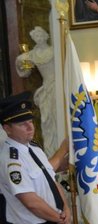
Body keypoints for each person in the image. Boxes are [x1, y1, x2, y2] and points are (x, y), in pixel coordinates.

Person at [0, 93, 71, 224]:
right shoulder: (11, 158)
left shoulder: (34, 149)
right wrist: (58, 217)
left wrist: (65, 209)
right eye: (22, 123)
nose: (30, 127)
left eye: (30, 121)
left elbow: (51, 180)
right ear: (7, 128)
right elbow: (30, 201)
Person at [15, 26, 58, 156]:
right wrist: (21, 63)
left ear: (46, 36)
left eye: (40, 35)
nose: (38, 38)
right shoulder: (33, 55)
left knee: (57, 117)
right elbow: (25, 70)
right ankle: (51, 152)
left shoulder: (54, 51)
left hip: (56, 88)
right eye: (35, 36)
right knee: (47, 120)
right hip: (46, 89)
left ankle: (60, 149)